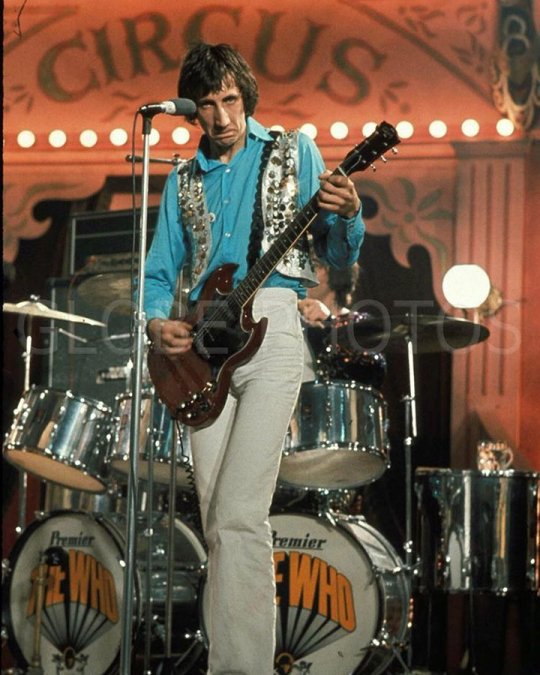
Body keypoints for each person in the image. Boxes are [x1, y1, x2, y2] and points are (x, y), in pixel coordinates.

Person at [143, 42, 364, 674]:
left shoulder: (295, 150)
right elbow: (158, 273)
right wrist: (156, 322)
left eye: (230, 100)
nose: (221, 117)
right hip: (205, 344)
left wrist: (350, 216)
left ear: (246, 96)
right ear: (192, 111)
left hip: (273, 323)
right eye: (207, 105)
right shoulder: (182, 179)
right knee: (220, 524)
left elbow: (338, 254)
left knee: (240, 512)